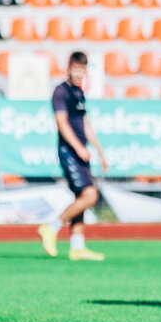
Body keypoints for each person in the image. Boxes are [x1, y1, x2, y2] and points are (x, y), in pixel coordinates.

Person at [38, 51, 108, 262]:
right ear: (68, 68)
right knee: (90, 196)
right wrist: (78, 148)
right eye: (76, 69)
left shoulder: (79, 93)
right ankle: (51, 227)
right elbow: (62, 123)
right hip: (69, 152)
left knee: (81, 198)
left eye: (82, 69)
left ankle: (77, 247)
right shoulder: (61, 92)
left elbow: (85, 124)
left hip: (80, 152)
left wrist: (100, 151)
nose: (79, 73)